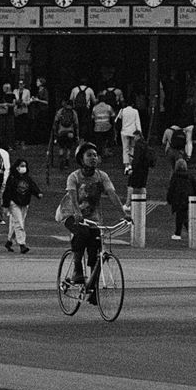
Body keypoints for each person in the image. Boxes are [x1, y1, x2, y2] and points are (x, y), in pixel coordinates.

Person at [60, 142, 129, 299]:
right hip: (72, 214)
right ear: (81, 158)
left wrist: (123, 213)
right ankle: (77, 270)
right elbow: (72, 196)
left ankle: (92, 288)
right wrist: (77, 213)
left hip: (93, 219)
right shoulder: (74, 177)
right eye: (89, 155)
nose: (93, 158)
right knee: (82, 233)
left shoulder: (102, 176)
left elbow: (112, 194)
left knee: (96, 251)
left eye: (95, 155)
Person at [1, 154, 41, 252]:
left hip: (24, 203)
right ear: (17, 167)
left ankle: (9, 241)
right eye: (21, 166)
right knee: (19, 223)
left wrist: (38, 193)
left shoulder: (27, 178)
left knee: (17, 223)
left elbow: (32, 186)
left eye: (24, 166)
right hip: (14, 202)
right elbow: (7, 191)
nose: (23, 168)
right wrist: (6, 205)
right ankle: (22, 244)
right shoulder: (12, 178)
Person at [165, 151, 196, 241]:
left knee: (181, 216)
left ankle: (179, 233)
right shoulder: (190, 176)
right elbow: (195, 187)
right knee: (183, 215)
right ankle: (186, 232)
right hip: (187, 198)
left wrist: (169, 199)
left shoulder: (175, 176)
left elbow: (171, 189)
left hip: (177, 199)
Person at [118, 95, 143, 172]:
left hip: (124, 131)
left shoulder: (122, 110)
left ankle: (126, 165)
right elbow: (137, 123)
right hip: (133, 132)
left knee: (125, 149)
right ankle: (131, 164)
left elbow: (118, 119)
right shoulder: (135, 111)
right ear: (133, 104)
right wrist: (140, 133)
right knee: (132, 148)